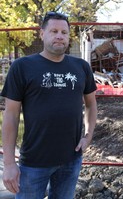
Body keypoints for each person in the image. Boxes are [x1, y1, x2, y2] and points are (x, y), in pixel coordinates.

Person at [1, 11, 97, 198]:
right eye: (54, 31)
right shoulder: (22, 66)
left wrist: (88, 136)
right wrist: (9, 163)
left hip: (71, 160)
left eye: (64, 32)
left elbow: (91, 105)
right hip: (33, 163)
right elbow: (11, 115)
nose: (60, 36)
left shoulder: (81, 67)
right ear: (42, 33)